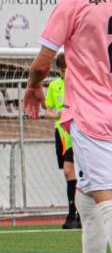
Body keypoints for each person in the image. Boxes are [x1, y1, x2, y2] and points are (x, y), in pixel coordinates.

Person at [23, 0, 112, 253]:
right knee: (88, 205)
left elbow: (43, 61)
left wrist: (34, 87)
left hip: (96, 120)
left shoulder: (76, 0)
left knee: (104, 203)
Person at [44, 53, 80, 229]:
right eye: (63, 68)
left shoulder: (79, 84)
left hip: (77, 132)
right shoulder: (54, 86)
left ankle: (75, 213)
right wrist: (57, 114)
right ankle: (74, 213)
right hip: (61, 133)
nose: (66, 71)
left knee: (72, 171)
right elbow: (48, 111)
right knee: (69, 173)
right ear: (59, 69)